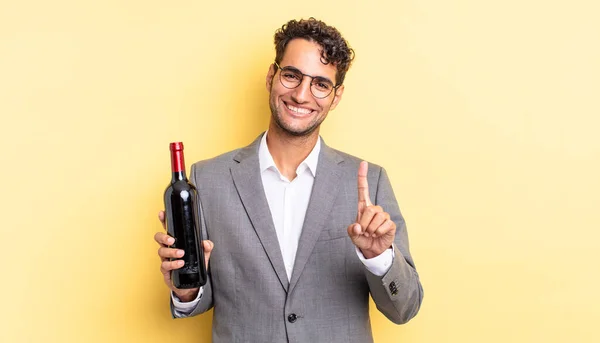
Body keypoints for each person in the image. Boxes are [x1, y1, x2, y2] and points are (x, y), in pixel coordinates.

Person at [154, 17, 423, 343]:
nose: (301, 95)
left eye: (321, 84)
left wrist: (380, 258)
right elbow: (199, 301)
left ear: (335, 97)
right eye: (292, 75)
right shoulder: (208, 179)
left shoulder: (369, 182)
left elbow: (405, 308)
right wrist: (186, 289)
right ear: (272, 76)